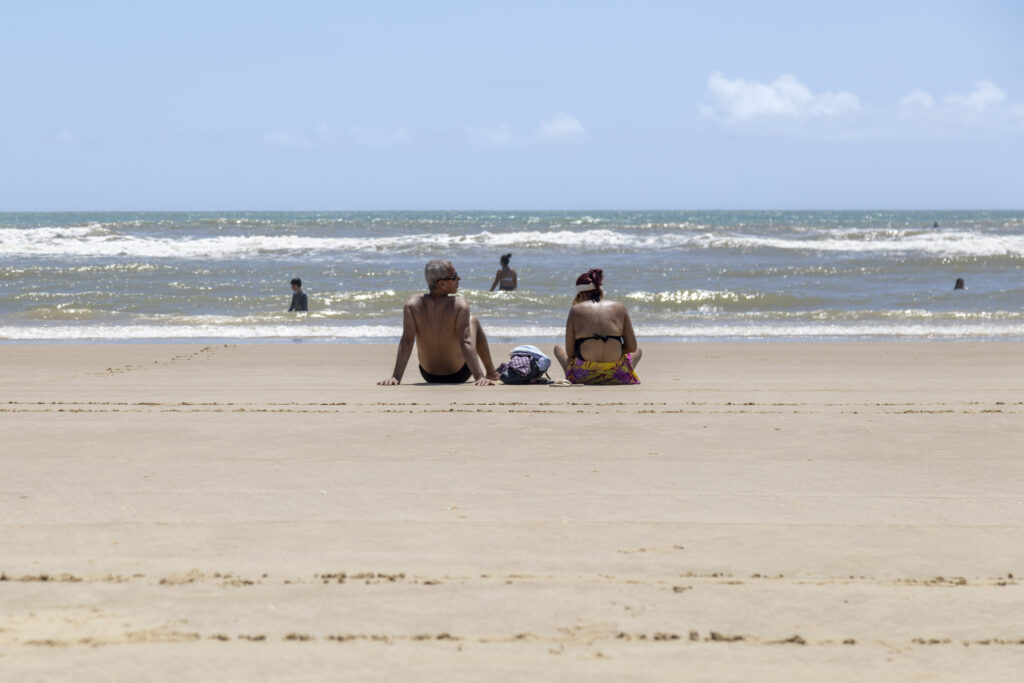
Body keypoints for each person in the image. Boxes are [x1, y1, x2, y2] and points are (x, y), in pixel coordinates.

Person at [379, 260, 499, 386]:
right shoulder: (459, 303)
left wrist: (396, 377)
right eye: (454, 276)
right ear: (441, 284)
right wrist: (479, 377)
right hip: (459, 374)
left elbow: (407, 341)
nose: (459, 278)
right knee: (473, 320)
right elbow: (466, 341)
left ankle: (491, 372)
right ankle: (491, 372)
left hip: (428, 375)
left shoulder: (412, 304)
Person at [553, 268, 642, 385]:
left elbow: (570, 353)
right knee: (638, 351)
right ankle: (617, 371)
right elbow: (632, 347)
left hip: (583, 376)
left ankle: (571, 375)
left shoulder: (575, 310)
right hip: (617, 375)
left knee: (559, 348)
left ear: (580, 294)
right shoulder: (620, 307)